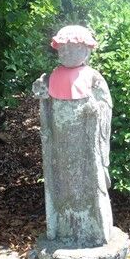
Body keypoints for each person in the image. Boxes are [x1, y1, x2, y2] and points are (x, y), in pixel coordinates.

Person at [33, 25, 113, 247]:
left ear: (86, 51)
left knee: (88, 180)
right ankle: (65, 226)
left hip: (85, 141)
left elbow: (105, 105)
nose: (66, 53)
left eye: (73, 48)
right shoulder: (52, 77)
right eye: (63, 49)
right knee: (62, 180)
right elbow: (45, 104)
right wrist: (42, 93)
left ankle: (92, 228)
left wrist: (95, 110)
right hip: (60, 140)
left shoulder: (93, 77)